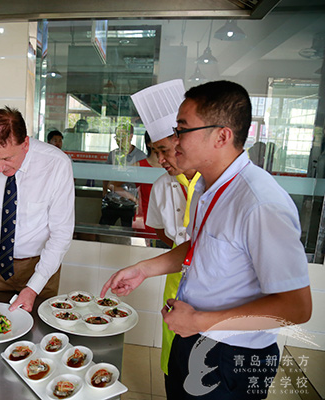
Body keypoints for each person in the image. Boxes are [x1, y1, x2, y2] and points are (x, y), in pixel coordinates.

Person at [102, 80, 311, 400]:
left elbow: (296, 307)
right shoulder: (207, 190)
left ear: (222, 135)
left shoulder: (260, 202)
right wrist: (144, 269)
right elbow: (199, 248)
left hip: (231, 356)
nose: (175, 141)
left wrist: (201, 319)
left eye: (182, 130)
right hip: (193, 337)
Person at [0, 107, 74, 312]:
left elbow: (61, 233)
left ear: (26, 144)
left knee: (37, 330)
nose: (0, 168)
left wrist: (34, 286)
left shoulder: (56, 164)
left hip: (40, 264)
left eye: (7, 158)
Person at [131, 78, 201, 386]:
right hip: (176, 278)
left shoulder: (214, 184)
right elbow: (162, 233)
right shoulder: (163, 185)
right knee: (175, 365)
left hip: (213, 295)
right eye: (154, 151)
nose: (160, 160)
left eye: (164, 150)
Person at [99, 122, 145, 227]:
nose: (119, 139)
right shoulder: (113, 154)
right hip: (112, 200)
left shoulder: (140, 156)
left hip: (131, 203)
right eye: (117, 136)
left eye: (122, 136)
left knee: (129, 233)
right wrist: (105, 191)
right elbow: (106, 174)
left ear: (131, 136)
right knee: (103, 228)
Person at [132, 132, 160, 232]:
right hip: (145, 217)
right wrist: (134, 199)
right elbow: (113, 184)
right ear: (148, 143)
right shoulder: (138, 166)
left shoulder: (173, 167)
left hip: (167, 218)